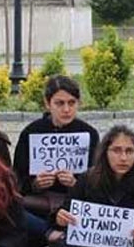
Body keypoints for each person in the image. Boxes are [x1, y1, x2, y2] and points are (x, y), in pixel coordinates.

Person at [13, 76, 100, 221]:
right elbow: (17, 176)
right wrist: (35, 184)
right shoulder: (31, 132)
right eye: (59, 103)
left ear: (79, 103)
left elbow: (98, 180)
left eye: (72, 103)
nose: (66, 109)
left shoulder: (89, 134)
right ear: (48, 104)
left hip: (77, 206)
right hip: (38, 205)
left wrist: (75, 183)